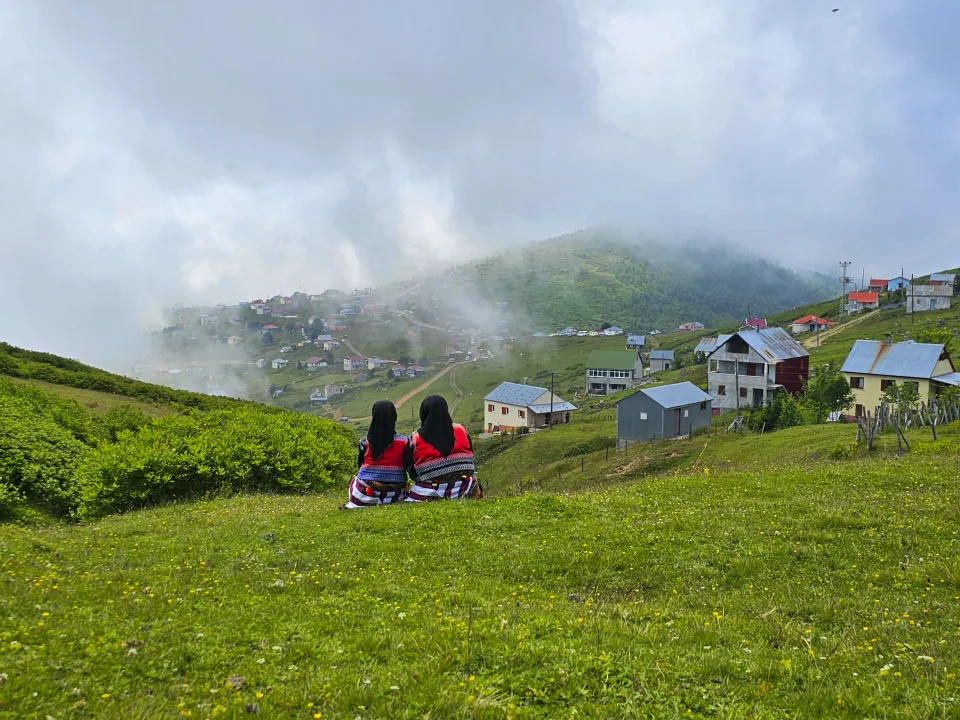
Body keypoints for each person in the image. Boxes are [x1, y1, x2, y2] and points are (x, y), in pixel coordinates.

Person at [405, 394, 482, 502]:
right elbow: (470, 452)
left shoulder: (415, 438)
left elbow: (408, 465)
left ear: (423, 413)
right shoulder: (460, 429)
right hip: (464, 486)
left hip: (430, 489)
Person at [341, 401, 410, 509]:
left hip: (366, 491)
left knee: (354, 479)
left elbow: (360, 465)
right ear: (394, 417)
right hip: (396, 491)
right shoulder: (404, 442)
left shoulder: (364, 442)